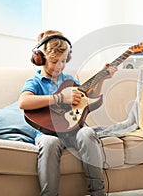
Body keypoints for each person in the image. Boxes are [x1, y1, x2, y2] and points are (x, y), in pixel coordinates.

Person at [19, 30, 117, 196]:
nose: (59, 66)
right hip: (48, 132)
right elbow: (23, 102)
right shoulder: (35, 81)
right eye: (54, 61)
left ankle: (98, 192)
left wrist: (102, 79)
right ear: (40, 59)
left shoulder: (69, 80)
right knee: (49, 143)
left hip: (74, 131)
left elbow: (88, 99)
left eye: (64, 61)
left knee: (87, 132)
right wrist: (59, 98)